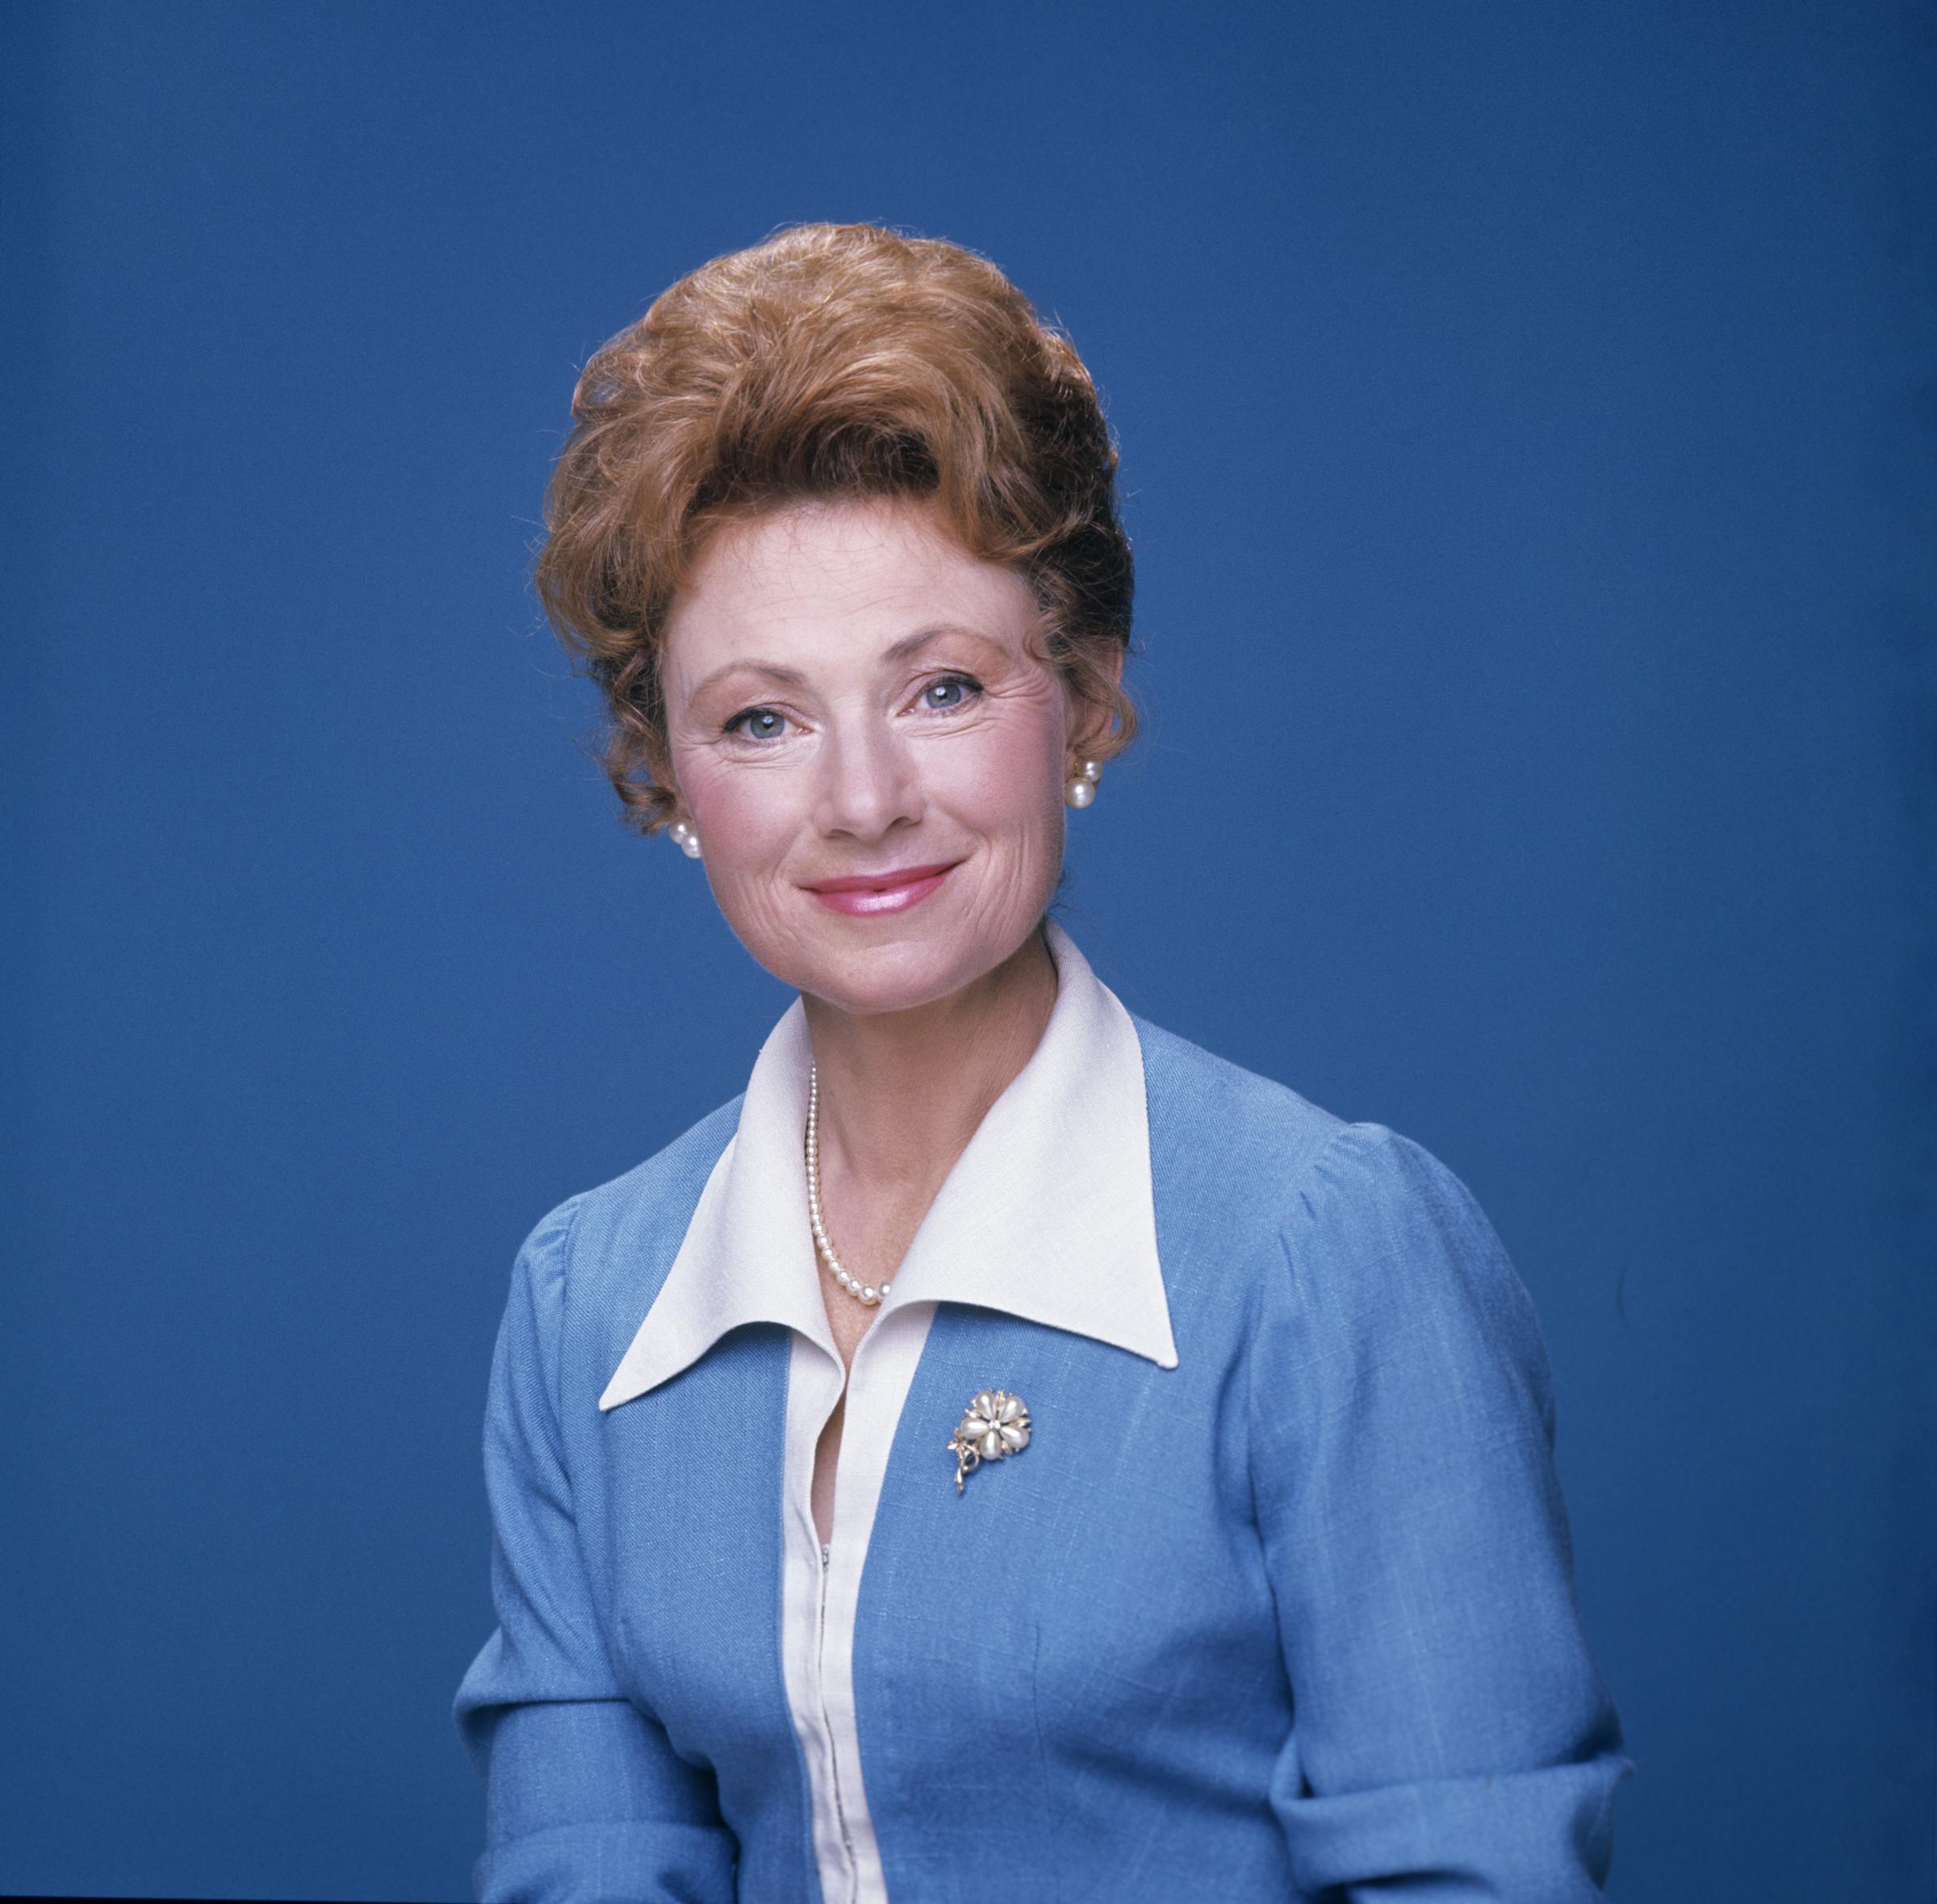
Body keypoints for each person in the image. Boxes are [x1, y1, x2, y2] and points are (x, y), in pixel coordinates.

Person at [454, 222, 1628, 1903]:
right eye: (762, 718)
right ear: (668, 777)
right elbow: (586, 1872)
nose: (861, 798)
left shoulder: (1329, 1253)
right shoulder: (588, 1304)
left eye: (939, 686)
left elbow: (1478, 1877)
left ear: (1080, 699)